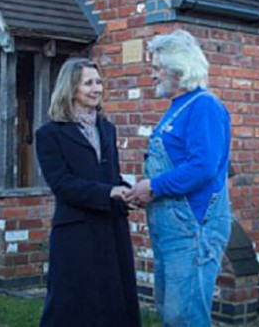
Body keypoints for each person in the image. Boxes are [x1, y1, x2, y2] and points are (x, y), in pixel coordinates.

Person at [126, 29, 232, 327]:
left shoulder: (204, 106)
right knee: (172, 314)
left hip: (194, 229)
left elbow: (204, 167)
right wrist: (141, 190)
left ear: (179, 69)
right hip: (172, 230)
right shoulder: (178, 108)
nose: (153, 75)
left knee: (186, 317)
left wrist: (154, 186)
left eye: (158, 68)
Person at [35, 58, 141, 327]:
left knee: (113, 303)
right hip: (75, 232)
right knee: (73, 306)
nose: (97, 89)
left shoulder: (107, 129)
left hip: (111, 228)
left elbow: (111, 176)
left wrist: (129, 194)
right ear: (71, 89)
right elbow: (61, 183)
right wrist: (108, 192)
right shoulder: (50, 134)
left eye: (99, 82)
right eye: (88, 83)